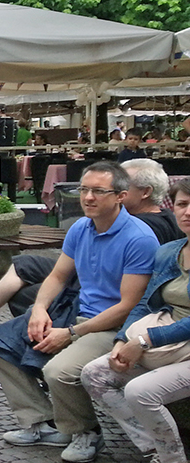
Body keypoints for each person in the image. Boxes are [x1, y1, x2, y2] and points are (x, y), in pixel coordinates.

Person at [0, 161, 158, 463]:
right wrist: (38, 309)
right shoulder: (80, 227)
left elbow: (127, 307)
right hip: (75, 313)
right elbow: (58, 276)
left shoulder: (138, 239)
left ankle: (86, 431)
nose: (88, 197)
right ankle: (45, 423)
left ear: (120, 196)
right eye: (84, 189)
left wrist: (71, 333)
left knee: (59, 371)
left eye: (98, 191)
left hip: (114, 327)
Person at [0, 158, 179, 341]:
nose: (90, 197)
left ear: (137, 193)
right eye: (84, 189)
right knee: (25, 267)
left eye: (102, 190)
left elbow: (124, 296)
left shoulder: (142, 231)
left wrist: (69, 328)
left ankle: (13, 342)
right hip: (87, 285)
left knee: (27, 286)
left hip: (95, 300)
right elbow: (63, 272)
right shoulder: (90, 224)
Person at [82, 178, 190, 463]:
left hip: (175, 344)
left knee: (140, 391)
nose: (187, 212)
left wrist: (144, 340)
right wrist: (122, 339)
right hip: (168, 342)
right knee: (94, 374)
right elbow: (144, 301)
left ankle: (173, 459)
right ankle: (153, 445)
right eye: (182, 204)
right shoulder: (170, 251)